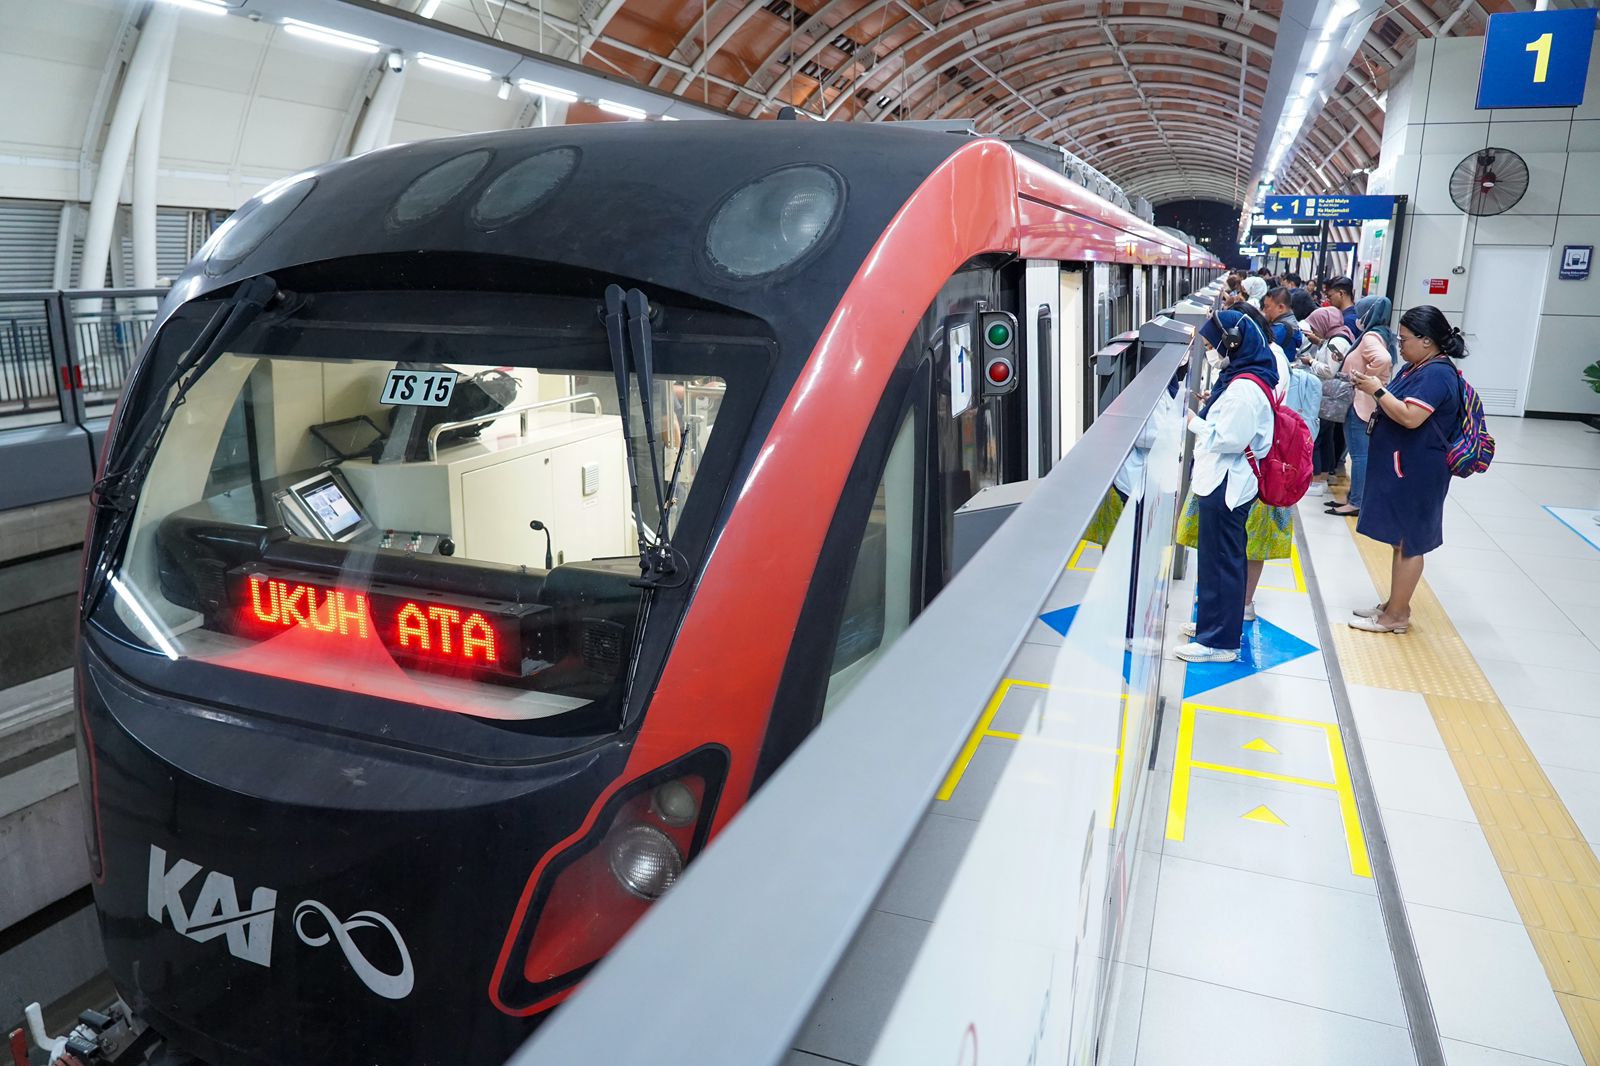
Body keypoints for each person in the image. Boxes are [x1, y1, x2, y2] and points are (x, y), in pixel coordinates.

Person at [1348, 306, 1468, 633]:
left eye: (1404, 339)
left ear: (1427, 341)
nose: (1398, 345)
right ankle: (1395, 603)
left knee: (1409, 541)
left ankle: (1397, 616)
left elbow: (1410, 416)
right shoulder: (1419, 367)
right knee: (1400, 540)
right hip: (1405, 464)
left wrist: (1376, 389)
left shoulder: (1436, 374)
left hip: (1418, 469)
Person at [1174, 309, 1277, 664]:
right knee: (1220, 561)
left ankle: (1218, 643)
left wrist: (1193, 423)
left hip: (1227, 484)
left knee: (1222, 562)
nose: (1211, 350)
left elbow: (1230, 438)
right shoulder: (1245, 379)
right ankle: (1212, 626)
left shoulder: (1244, 389)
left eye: (1212, 344)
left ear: (1232, 342)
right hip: (1226, 482)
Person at [1327, 295, 1394, 517]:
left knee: (1359, 456)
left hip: (1360, 404)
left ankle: (1356, 502)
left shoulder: (1370, 337)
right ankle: (1355, 498)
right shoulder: (1383, 334)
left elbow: (1383, 360)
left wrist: (1364, 379)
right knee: (1360, 454)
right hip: (1365, 402)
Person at [1301, 305, 1355, 498]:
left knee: (1317, 437)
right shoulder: (1339, 336)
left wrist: (1311, 362)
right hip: (1331, 398)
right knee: (1326, 437)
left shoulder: (1338, 341)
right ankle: (1323, 477)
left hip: (1328, 397)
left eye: (1316, 326)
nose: (1314, 330)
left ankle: (1315, 479)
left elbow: (1329, 370)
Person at [1262, 286, 1301, 361]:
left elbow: (1262, 349)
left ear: (1281, 307)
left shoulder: (1281, 329)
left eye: (1267, 307)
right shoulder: (1291, 323)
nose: (1264, 310)